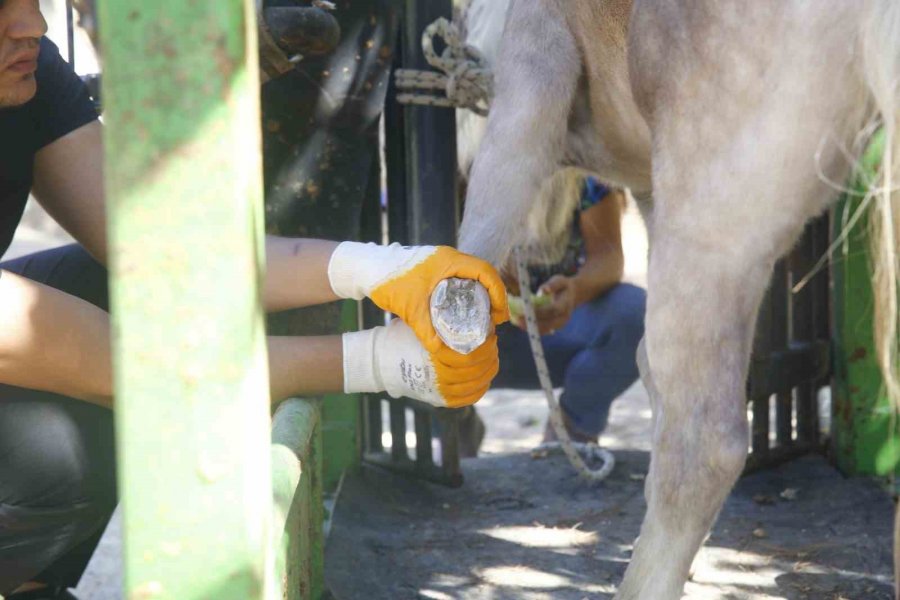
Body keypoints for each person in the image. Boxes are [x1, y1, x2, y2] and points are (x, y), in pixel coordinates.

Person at [0, 1, 507, 598]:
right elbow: (108, 361)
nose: (30, 24)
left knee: (129, 292)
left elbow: (164, 251)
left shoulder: (25, 72)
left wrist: (385, 268)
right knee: (70, 435)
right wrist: (382, 363)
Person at [460, 176, 645, 454]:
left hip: (565, 329)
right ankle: (457, 425)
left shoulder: (585, 175)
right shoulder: (460, 167)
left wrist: (575, 291)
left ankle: (572, 430)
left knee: (635, 313)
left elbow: (608, 259)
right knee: (409, 330)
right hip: (479, 342)